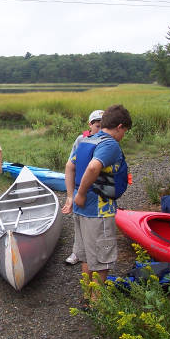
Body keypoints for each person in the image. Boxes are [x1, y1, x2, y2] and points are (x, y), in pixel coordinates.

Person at [63, 104, 132, 301]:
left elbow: (70, 166)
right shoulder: (110, 144)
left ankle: (87, 296)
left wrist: (71, 195)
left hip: (81, 209)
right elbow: (93, 167)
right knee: (102, 260)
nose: (123, 135)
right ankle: (97, 302)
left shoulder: (87, 140)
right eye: (124, 131)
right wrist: (82, 193)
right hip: (98, 210)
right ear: (119, 127)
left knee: (86, 256)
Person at [64, 109, 104, 265]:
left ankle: (96, 255)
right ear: (90, 125)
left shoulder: (107, 142)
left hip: (99, 190)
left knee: (96, 224)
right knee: (78, 220)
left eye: (103, 126)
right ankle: (77, 252)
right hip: (81, 186)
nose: (100, 130)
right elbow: (70, 165)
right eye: (97, 126)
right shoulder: (81, 140)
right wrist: (70, 195)